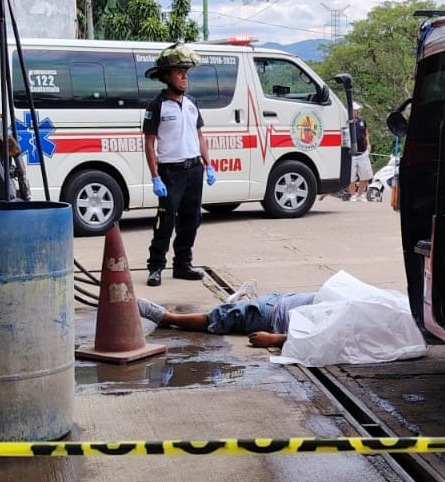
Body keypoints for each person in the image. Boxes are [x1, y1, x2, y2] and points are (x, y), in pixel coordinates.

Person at [142, 44, 215, 287]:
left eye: (187, 73)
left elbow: (200, 136)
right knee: (166, 220)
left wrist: (208, 164)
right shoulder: (157, 106)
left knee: (191, 218)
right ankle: (155, 267)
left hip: (194, 169)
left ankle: (182, 264)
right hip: (170, 172)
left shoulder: (192, 103)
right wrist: (155, 176)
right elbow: (149, 144)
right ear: (167, 77)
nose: (185, 77)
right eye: (179, 72)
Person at [136, 290, 317, 350]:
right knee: (243, 309)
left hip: (270, 317)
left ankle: (168, 318)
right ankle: (244, 301)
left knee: (218, 318)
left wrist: (275, 339)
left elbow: (322, 336)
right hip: (280, 303)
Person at [347, 102, 371, 201]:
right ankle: (352, 195)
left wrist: (368, 144)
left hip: (363, 152)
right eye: (356, 110)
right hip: (351, 154)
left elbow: (366, 133)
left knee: (365, 175)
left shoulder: (362, 121)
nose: (357, 111)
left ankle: (360, 194)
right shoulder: (346, 122)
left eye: (357, 110)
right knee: (351, 177)